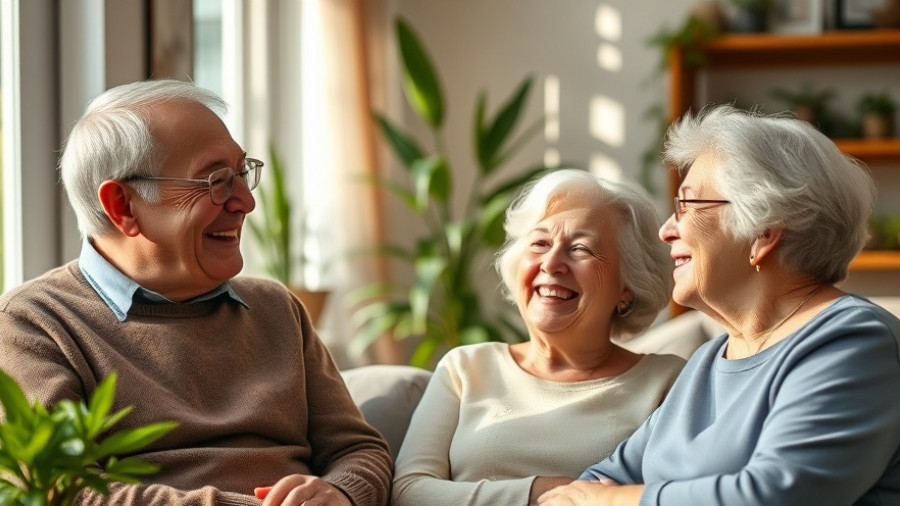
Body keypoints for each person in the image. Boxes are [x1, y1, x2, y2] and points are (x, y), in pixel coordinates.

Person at [0, 79, 392, 506]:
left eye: (242, 174)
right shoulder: (34, 324)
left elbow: (359, 449)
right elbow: (60, 490)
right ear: (123, 206)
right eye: (216, 181)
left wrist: (340, 492)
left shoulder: (277, 308)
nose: (245, 201)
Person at [538, 105, 900, 506]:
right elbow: (607, 476)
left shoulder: (853, 342)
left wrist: (608, 502)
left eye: (688, 206)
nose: (666, 230)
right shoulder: (708, 361)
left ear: (763, 231)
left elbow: (776, 495)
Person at [391, 168, 686, 506]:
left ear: (627, 288)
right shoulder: (465, 368)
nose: (551, 263)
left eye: (580, 249)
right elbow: (409, 491)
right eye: (540, 243)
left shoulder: (667, 384)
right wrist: (539, 492)